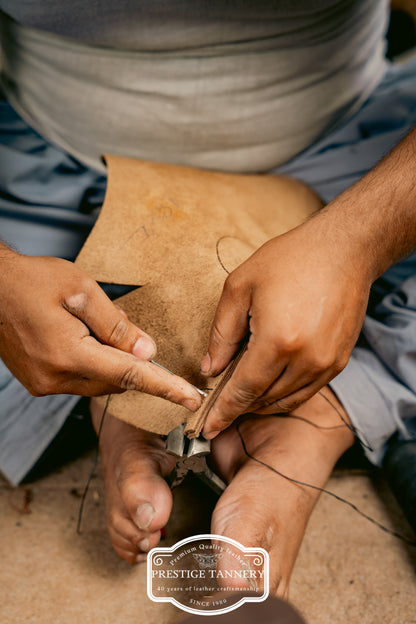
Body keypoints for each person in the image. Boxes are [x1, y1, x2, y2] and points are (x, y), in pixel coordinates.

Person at [0, 0, 415, 596]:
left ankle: (313, 421)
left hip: (361, 157)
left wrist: (361, 239)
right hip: (50, 172)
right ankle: (129, 400)